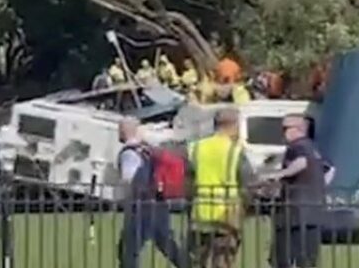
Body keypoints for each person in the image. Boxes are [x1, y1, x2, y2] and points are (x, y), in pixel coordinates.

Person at [187, 108, 254, 268]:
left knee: (198, 261)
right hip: (227, 217)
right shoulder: (236, 151)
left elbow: (187, 180)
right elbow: (246, 183)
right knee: (223, 261)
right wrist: (247, 207)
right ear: (233, 126)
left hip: (200, 214)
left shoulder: (196, 148)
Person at [116, 118, 187, 268]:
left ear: (124, 131)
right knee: (168, 245)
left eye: (119, 129)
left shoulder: (128, 153)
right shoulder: (148, 150)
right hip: (158, 203)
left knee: (128, 250)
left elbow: (128, 178)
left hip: (141, 206)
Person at [260, 115, 328, 268]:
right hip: (313, 210)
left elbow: (301, 162)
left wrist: (278, 175)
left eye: (285, 129)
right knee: (307, 259)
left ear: (298, 130)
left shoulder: (298, 146)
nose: (283, 133)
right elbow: (329, 169)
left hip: (295, 212)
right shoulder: (313, 147)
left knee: (283, 258)